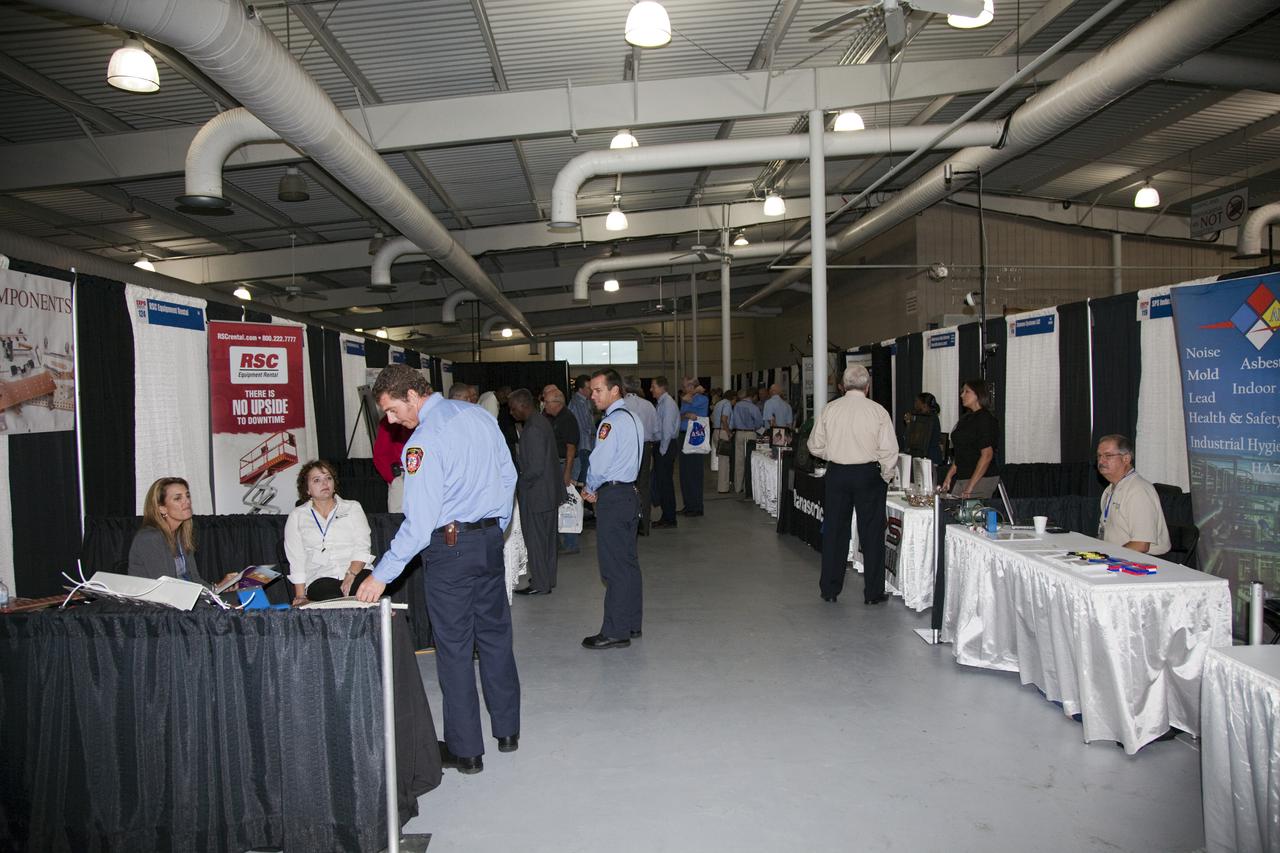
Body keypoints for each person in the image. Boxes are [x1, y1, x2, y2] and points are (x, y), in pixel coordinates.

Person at [356, 364, 520, 775]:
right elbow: (509, 475)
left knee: (455, 649)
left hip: (450, 551)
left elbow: (418, 521)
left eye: (393, 410)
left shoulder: (423, 440)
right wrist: (492, 529)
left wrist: (380, 575)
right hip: (486, 544)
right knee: (496, 639)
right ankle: (507, 731)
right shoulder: (480, 417)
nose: (392, 421)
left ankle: (467, 751)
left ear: (412, 395)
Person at [807, 364, 899, 604]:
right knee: (871, 533)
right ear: (867, 387)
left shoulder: (830, 409)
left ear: (844, 385)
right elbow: (889, 451)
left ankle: (829, 589)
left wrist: (834, 453)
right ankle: (873, 592)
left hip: (837, 474)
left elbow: (814, 445)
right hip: (868, 475)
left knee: (835, 532)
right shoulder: (878, 411)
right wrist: (885, 475)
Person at [580, 369, 644, 649]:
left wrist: (590, 487)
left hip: (614, 498)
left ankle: (616, 631)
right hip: (629, 494)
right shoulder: (633, 418)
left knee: (614, 568)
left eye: (598, 390)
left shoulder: (611, 423)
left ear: (614, 390)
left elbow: (600, 463)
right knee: (628, 563)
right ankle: (630, 622)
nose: (593, 396)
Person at [283, 460, 374, 604]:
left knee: (364, 589)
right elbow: (296, 559)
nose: (325, 483)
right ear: (307, 489)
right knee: (329, 597)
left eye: (328, 478)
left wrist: (350, 574)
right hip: (320, 577)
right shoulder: (297, 516)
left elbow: (362, 546)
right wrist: (300, 596)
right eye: (317, 480)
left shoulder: (352, 507)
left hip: (356, 572)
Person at [509, 389, 561, 595]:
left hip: (536, 494)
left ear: (523, 406)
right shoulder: (541, 421)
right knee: (547, 541)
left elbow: (535, 467)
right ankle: (547, 578)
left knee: (537, 542)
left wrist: (518, 481)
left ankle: (540, 583)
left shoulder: (532, 429)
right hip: (547, 492)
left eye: (513, 409)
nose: (512, 413)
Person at [1096, 434, 1171, 555]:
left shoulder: (1138, 490)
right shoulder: (1110, 489)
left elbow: (1141, 545)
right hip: (1118, 557)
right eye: (1099, 456)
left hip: (1141, 562)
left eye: (1108, 455)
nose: (1101, 461)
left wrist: (1106, 557)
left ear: (1126, 459)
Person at [129, 476, 199, 581]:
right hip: (161, 596)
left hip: (183, 595)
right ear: (162, 508)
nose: (187, 502)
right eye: (178, 498)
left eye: (187, 496)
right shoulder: (150, 538)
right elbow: (166, 587)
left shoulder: (181, 535)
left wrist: (218, 588)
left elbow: (195, 579)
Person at [941, 378, 1000, 499]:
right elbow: (962, 453)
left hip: (981, 479)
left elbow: (987, 455)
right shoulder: (967, 418)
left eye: (967, 392)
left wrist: (970, 487)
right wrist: (949, 475)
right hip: (964, 477)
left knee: (969, 515)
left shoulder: (985, 418)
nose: (962, 395)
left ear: (978, 394)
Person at [541, 386, 580, 554]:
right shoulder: (551, 417)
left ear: (557, 403)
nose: (544, 405)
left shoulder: (567, 418)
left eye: (547, 402)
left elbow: (571, 448)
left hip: (565, 464)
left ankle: (570, 544)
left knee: (567, 503)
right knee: (558, 503)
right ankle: (559, 542)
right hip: (556, 464)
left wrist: (567, 473)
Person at [623, 376, 658, 536]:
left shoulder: (622, 405)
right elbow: (656, 430)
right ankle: (644, 525)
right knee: (643, 486)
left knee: (626, 485)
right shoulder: (649, 405)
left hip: (627, 449)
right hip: (645, 447)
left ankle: (630, 524)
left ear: (624, 388)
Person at [649, 376, 680, 529]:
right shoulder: (661, 403)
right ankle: (666, 515)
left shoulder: (668, 404)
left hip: (665, 446)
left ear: (661, 387)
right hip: (662, 445)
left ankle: (669, 518)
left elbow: (667, 430)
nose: (651, 389)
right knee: (662, 483)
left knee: (665, 483)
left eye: (653, 386)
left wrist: (662, 450)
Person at [677, 378, 709, 517]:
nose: (684, 389)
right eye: (683, 386)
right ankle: (688, 505)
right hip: (683, 436)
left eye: (687, 386)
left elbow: (687, 400)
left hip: (695, 438)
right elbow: (681, 414)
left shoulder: (702, 399)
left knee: (695, 473)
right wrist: (686, 415)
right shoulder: (686, 398)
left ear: (693, 386)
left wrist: (695, 390)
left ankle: (696, 507)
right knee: (684, 474)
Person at [373, 414, 413, 512]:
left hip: (425, 475)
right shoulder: (390, 419)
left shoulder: (429, 416)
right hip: (401, 475)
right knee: (397, 520)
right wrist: (394, 478)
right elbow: (380, 454)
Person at [731, 388, 763, 494]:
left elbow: (733, 421)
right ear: (753, 396)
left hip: (739, 433)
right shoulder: (754, 407)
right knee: (750, 461)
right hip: (750, 434)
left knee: (738, 461)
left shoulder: (736, 406)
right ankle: (747, 487)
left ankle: (737, 487)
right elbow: (759, 423)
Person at [901, 392, 944, 468]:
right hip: (924, 458)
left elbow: (922, 425)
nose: (915, 404)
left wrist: (911, 420)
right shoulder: (924, 417)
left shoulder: (930, 418)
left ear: (924, 405)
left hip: (930, 459)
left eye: (917, 401)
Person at [568, 374, 596, 482]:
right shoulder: (577, 403)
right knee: (583, 478)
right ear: (580, 389)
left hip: (587, 444)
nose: (591, 391)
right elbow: (585, 426)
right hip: (583, 446)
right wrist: (596, 432)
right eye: (588, 388)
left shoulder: (585, 401)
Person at [712, 389, 736, 493]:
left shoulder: (718, 404)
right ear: (733, 398)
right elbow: (724, 419)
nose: (735, 402)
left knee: (722, 460)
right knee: (724, 462)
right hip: (723, 432)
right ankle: (723, 488)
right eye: (735, 400)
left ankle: (722, 486)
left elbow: (712, 418)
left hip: (716, 432)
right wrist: (729, 432)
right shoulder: (727, 404)